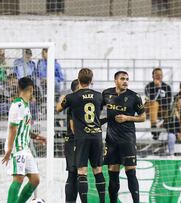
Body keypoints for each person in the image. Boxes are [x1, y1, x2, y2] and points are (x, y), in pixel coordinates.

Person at [56, 68, 105, 203]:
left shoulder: (72, 98)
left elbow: (58, 108)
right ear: (91, 80)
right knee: (97, 170)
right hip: (96, 137)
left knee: (79, 172)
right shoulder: (99, 96)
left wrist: (62, 99)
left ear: (79, 79)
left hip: (80, 138)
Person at [102, 71, 146, 203]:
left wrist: (127, 118)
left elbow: (143, 117)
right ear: (115, 80)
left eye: (127, 79)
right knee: (113, 174)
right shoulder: (106, 94)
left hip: (127, 139)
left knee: (131, 173)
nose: (125, 81)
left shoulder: (134, 96)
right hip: (111, 140)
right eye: (122, 79)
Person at [1, 77, 46, 203]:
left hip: (24, 147)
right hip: (16, 147)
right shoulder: (18, 105)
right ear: (31, 89)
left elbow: (23, 128)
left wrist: (37, 137)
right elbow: (12, 128)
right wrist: (10, 149)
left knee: (35, 180)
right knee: (19, 178)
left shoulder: (25, 106)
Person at [144, 68, 172, 140]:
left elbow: (168, 101)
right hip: (149, 109)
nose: (159, 76)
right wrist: (157, 88)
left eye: (161, 75)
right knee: (154, 104)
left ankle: (157, 130)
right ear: (153, 76)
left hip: (162, 110)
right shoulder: (148, 86)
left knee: (171, 113)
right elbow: (151, 99)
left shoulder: (167, 87)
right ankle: (153, 126)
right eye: (157, 74)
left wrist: (160, 102)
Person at [64, 79, 79, 203]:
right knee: (73, 174)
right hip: (73, 141)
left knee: (78, 174)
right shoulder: (74, 105)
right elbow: (73, 128)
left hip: (75, 141)